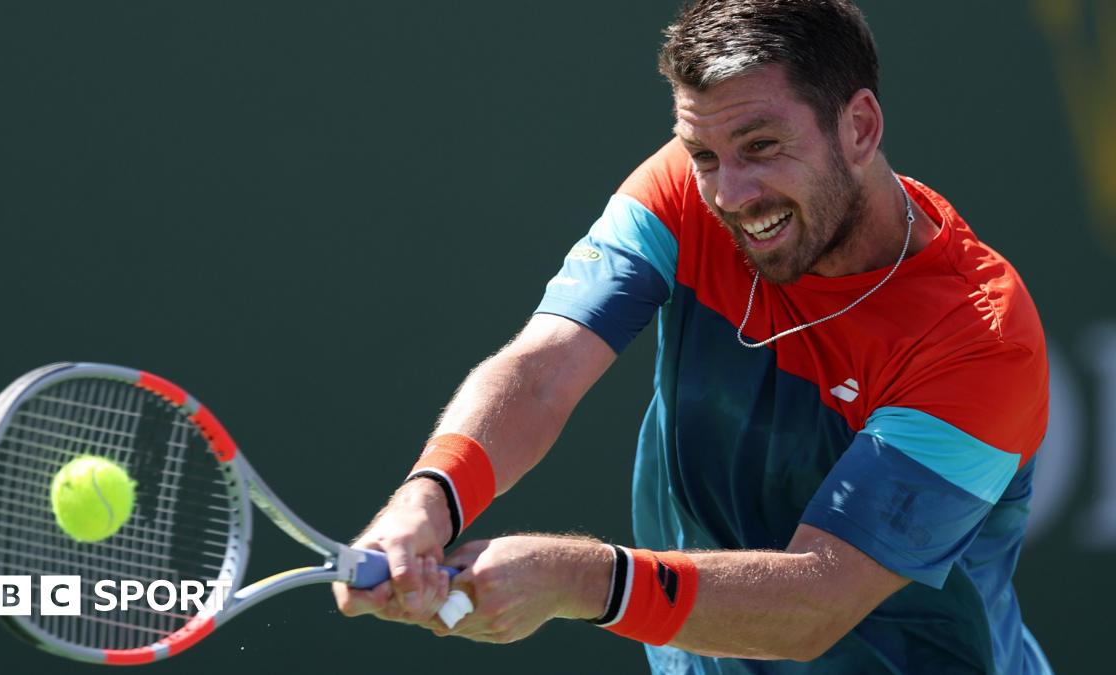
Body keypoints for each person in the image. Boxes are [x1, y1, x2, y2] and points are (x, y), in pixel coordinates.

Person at [333, 1, 1053, 672]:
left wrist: (575, 579)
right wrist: (427, 498)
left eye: (763, 145)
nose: (731, 195)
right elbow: (543, 368)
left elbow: (816, 601)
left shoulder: (982, 340)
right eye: (704, 154)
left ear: (860, 128)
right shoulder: (686, 189)